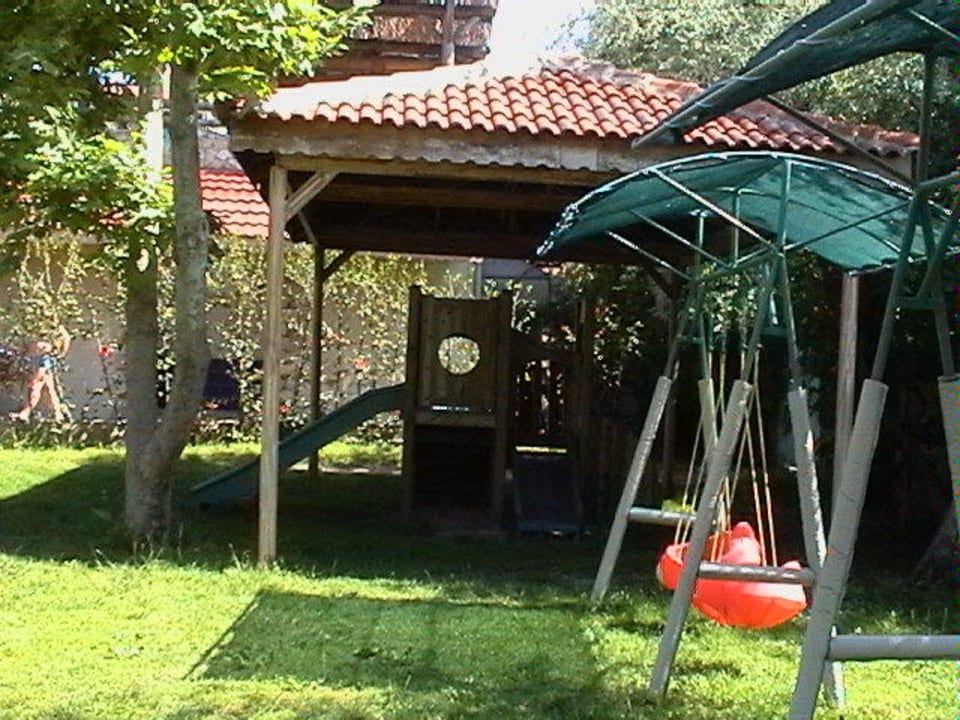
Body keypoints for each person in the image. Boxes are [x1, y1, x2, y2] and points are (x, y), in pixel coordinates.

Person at [8, 328, 70, 422]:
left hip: (40, 377)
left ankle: (26, 412)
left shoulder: (46, 359)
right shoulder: (38, 356)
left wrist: (35, 380)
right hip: (39, 375)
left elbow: (42, 370)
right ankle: (57, 414)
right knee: (49, 393)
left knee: (34, 392)